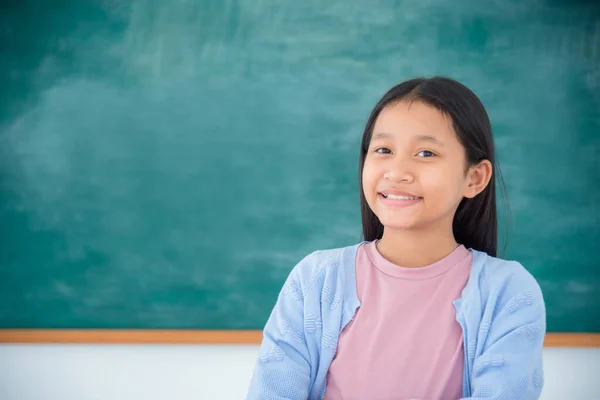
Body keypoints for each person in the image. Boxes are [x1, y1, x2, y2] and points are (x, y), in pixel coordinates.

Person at [246, 77, 546, 400]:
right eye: (384, 150)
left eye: (426, 153)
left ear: (474, 178)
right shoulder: (314, 281)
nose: (398, 171)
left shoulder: (508, 293)